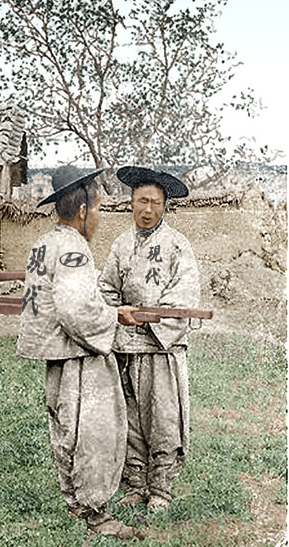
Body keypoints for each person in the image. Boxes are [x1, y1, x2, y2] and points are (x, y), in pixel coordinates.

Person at [17, 166, 145, 540]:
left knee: (66, 429)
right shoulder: (74, 248)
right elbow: (74, 311)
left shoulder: (45, 242)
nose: (100, 217)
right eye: (99, 208)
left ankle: (76, 501)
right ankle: (97, 514)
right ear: (84, 210)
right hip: (79, 354)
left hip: (57, 353)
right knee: (94, 431)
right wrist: (114, 315)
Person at [99, 166, 200, 510]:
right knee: (128, 416)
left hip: (160, 346)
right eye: (141, 201)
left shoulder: (177, 245)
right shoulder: (121, 243)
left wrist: (148, 319)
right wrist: (117, 312)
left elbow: (184, 295)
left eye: (155, 203)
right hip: (125, 344)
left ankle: (160, 487)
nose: (147, 210)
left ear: (165, 206)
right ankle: (135, 483)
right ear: (131, 202)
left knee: (162, 416)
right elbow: (107, 288)